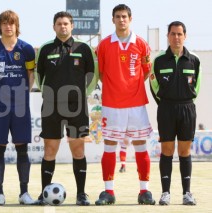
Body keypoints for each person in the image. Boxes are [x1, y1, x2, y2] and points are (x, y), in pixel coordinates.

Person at [33, 11, 98, 206]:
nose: (63, 26)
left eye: (66, 24)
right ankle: (44, 194)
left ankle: (81, 194)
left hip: (76, 107)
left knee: (78, 150)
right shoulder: (45, 49)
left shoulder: (84, 48)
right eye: (59, 23)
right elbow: (39, 76)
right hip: (51, 107)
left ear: (72, 26)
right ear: (54, 26)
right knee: (49, 151)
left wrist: (80, 94)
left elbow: (92, 75)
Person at [95, 4, 155, 205]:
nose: (121, 20)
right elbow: (101, 73)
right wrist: (116, 88)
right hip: (112, 104)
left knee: (140, 145)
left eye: (124, 16)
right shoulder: (104, 45)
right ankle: (109, 192)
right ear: (112, 20)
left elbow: (147, 70)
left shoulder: (142, 43)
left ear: (130, 19)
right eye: (118, 17)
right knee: (110, 145)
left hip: (136, 104)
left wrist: (132, 86)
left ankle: (144, 191)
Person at [0, 10, 35, 205]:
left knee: (22, 148)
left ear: (16, 25)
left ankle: (24, 193)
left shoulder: (27, 48)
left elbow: (30, 72)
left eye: (11, 23)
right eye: (4, 23)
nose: (8, 26)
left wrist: (25, 92)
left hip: (20, 106)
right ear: (0, 26)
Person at [150, 21, 201, 206]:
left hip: (187, 109)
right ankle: (165, 193)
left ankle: (187, 193)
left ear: (185, 36)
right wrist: (164, 104)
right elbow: (154, 86)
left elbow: (197, 86)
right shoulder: (159, 60)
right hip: (166, 109)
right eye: (172, 34)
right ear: (168, 36)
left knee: (185, 151)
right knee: (167, 151)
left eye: (179, 34)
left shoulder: (194, 60)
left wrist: (186, 103)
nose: (176, 37)